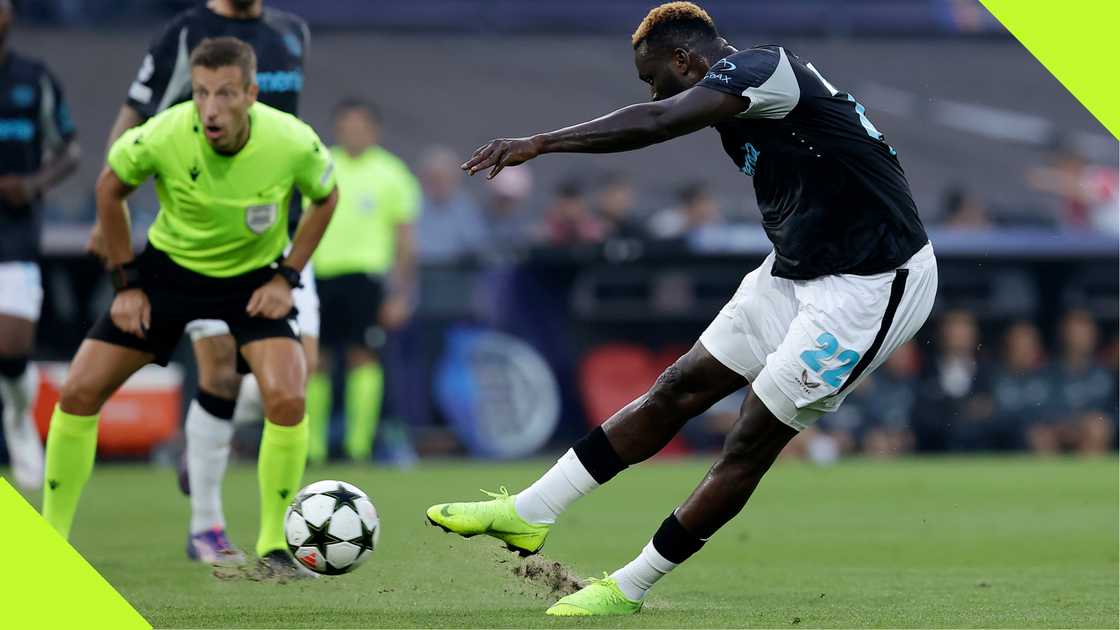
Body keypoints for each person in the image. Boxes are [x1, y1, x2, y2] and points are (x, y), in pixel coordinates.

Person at [427, 1, 936, 616]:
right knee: (678, 387)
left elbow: (657, 120)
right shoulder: (737, 98)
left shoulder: (765, 69)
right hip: (794, 269)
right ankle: (530, 512)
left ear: (685, 60)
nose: (652, 90)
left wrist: (541, 142)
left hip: (872, 284)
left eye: (653, 77)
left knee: (751, 437)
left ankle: (628, 587)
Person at [42, 38, 338, 577]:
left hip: (252, 280)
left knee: (289, 397)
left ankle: (275, 546)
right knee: (79, 391)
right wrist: (126, 285)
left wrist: (288, 277)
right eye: (201, 93)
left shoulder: (292, 141)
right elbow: (109, 190)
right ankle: (51, 541)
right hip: (169, 276)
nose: (210, 108)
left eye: (224, 93)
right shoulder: (165, 133)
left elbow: (326, 196)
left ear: (251, 94)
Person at [309, 98, 419, 463]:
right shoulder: (320, 165)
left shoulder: (392, 173)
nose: (354, 133)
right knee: (316, 360)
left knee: (363, 357)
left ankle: (358, 448)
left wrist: (401, 294)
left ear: (374, 130)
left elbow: (405, 240)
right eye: (347, 126)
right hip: (321, 276)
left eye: (361, 126)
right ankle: (313, 449)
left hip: (366, 279)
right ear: (337, 129)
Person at [0, 0, 81, 491]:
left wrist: (32, 185)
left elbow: (70, 149)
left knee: (11, 348)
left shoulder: (34, 79)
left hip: (15, 231)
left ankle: (18, 419)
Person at [1028, 309, 1115, 454]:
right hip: (1056, 430)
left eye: (1085, 331)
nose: (1080, 337)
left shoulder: (1107, 373)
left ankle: (1090, 469)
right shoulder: (1045, 373)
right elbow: (1036, 409)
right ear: (1063, 334)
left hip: (1090, 433)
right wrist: (1065, 426)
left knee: (1097, 428)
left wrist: (1086, 423)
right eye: (1075, 331)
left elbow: (1113, 411)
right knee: (1040, 435)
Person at [911, 309, 993, 452]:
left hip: (980, 448)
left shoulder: (988, 370)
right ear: (942, 334)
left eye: (964, 330)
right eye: (954, 330)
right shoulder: (924, 369)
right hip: (934, 448)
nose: (959, 336)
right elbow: (920, 413)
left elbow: (994, 411)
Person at [414, 147, 487, 263]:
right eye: (435, 178)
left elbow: (476, 244)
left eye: (446, 178)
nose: (441, 184)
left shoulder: (465, 208)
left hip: (456, 269)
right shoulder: (411, 204)